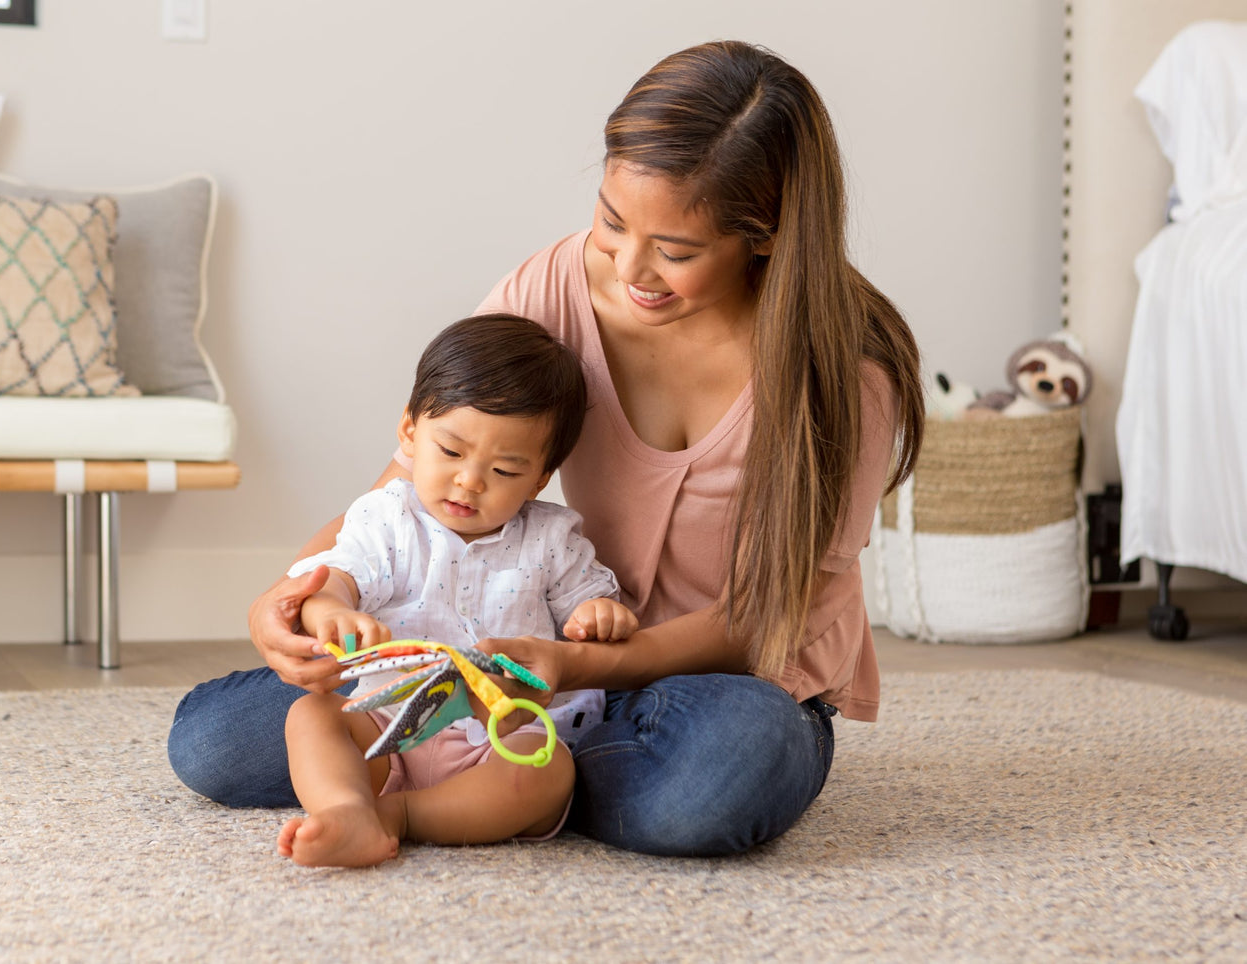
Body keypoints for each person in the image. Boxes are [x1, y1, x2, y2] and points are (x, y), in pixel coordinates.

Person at [168, 39, 924, 857]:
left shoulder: (841, 370)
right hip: (513, 664)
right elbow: (411, 482)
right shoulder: (551, 290)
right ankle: (516, 782)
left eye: (674, 251)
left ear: (765, 235)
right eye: (610, 221)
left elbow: (772, 612)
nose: (631, 267)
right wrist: (282, 600)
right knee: (210, 740)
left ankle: (469, 785)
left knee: (727, 769)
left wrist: (577, 666)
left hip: (717, 676)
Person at [276, 313, 636, 867]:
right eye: (451, 452)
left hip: (496, 737)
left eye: (505, 470)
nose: (470, 481)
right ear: (409, 432)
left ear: (541, 477)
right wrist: (332, 613)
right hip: (386, 729)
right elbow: (335, 579)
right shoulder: (387, 518)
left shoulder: (551, 536)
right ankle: (347, 805)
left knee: (549, 768)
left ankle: (397, 817)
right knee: (311, 717)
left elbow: (587, 612)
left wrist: (600, 614)